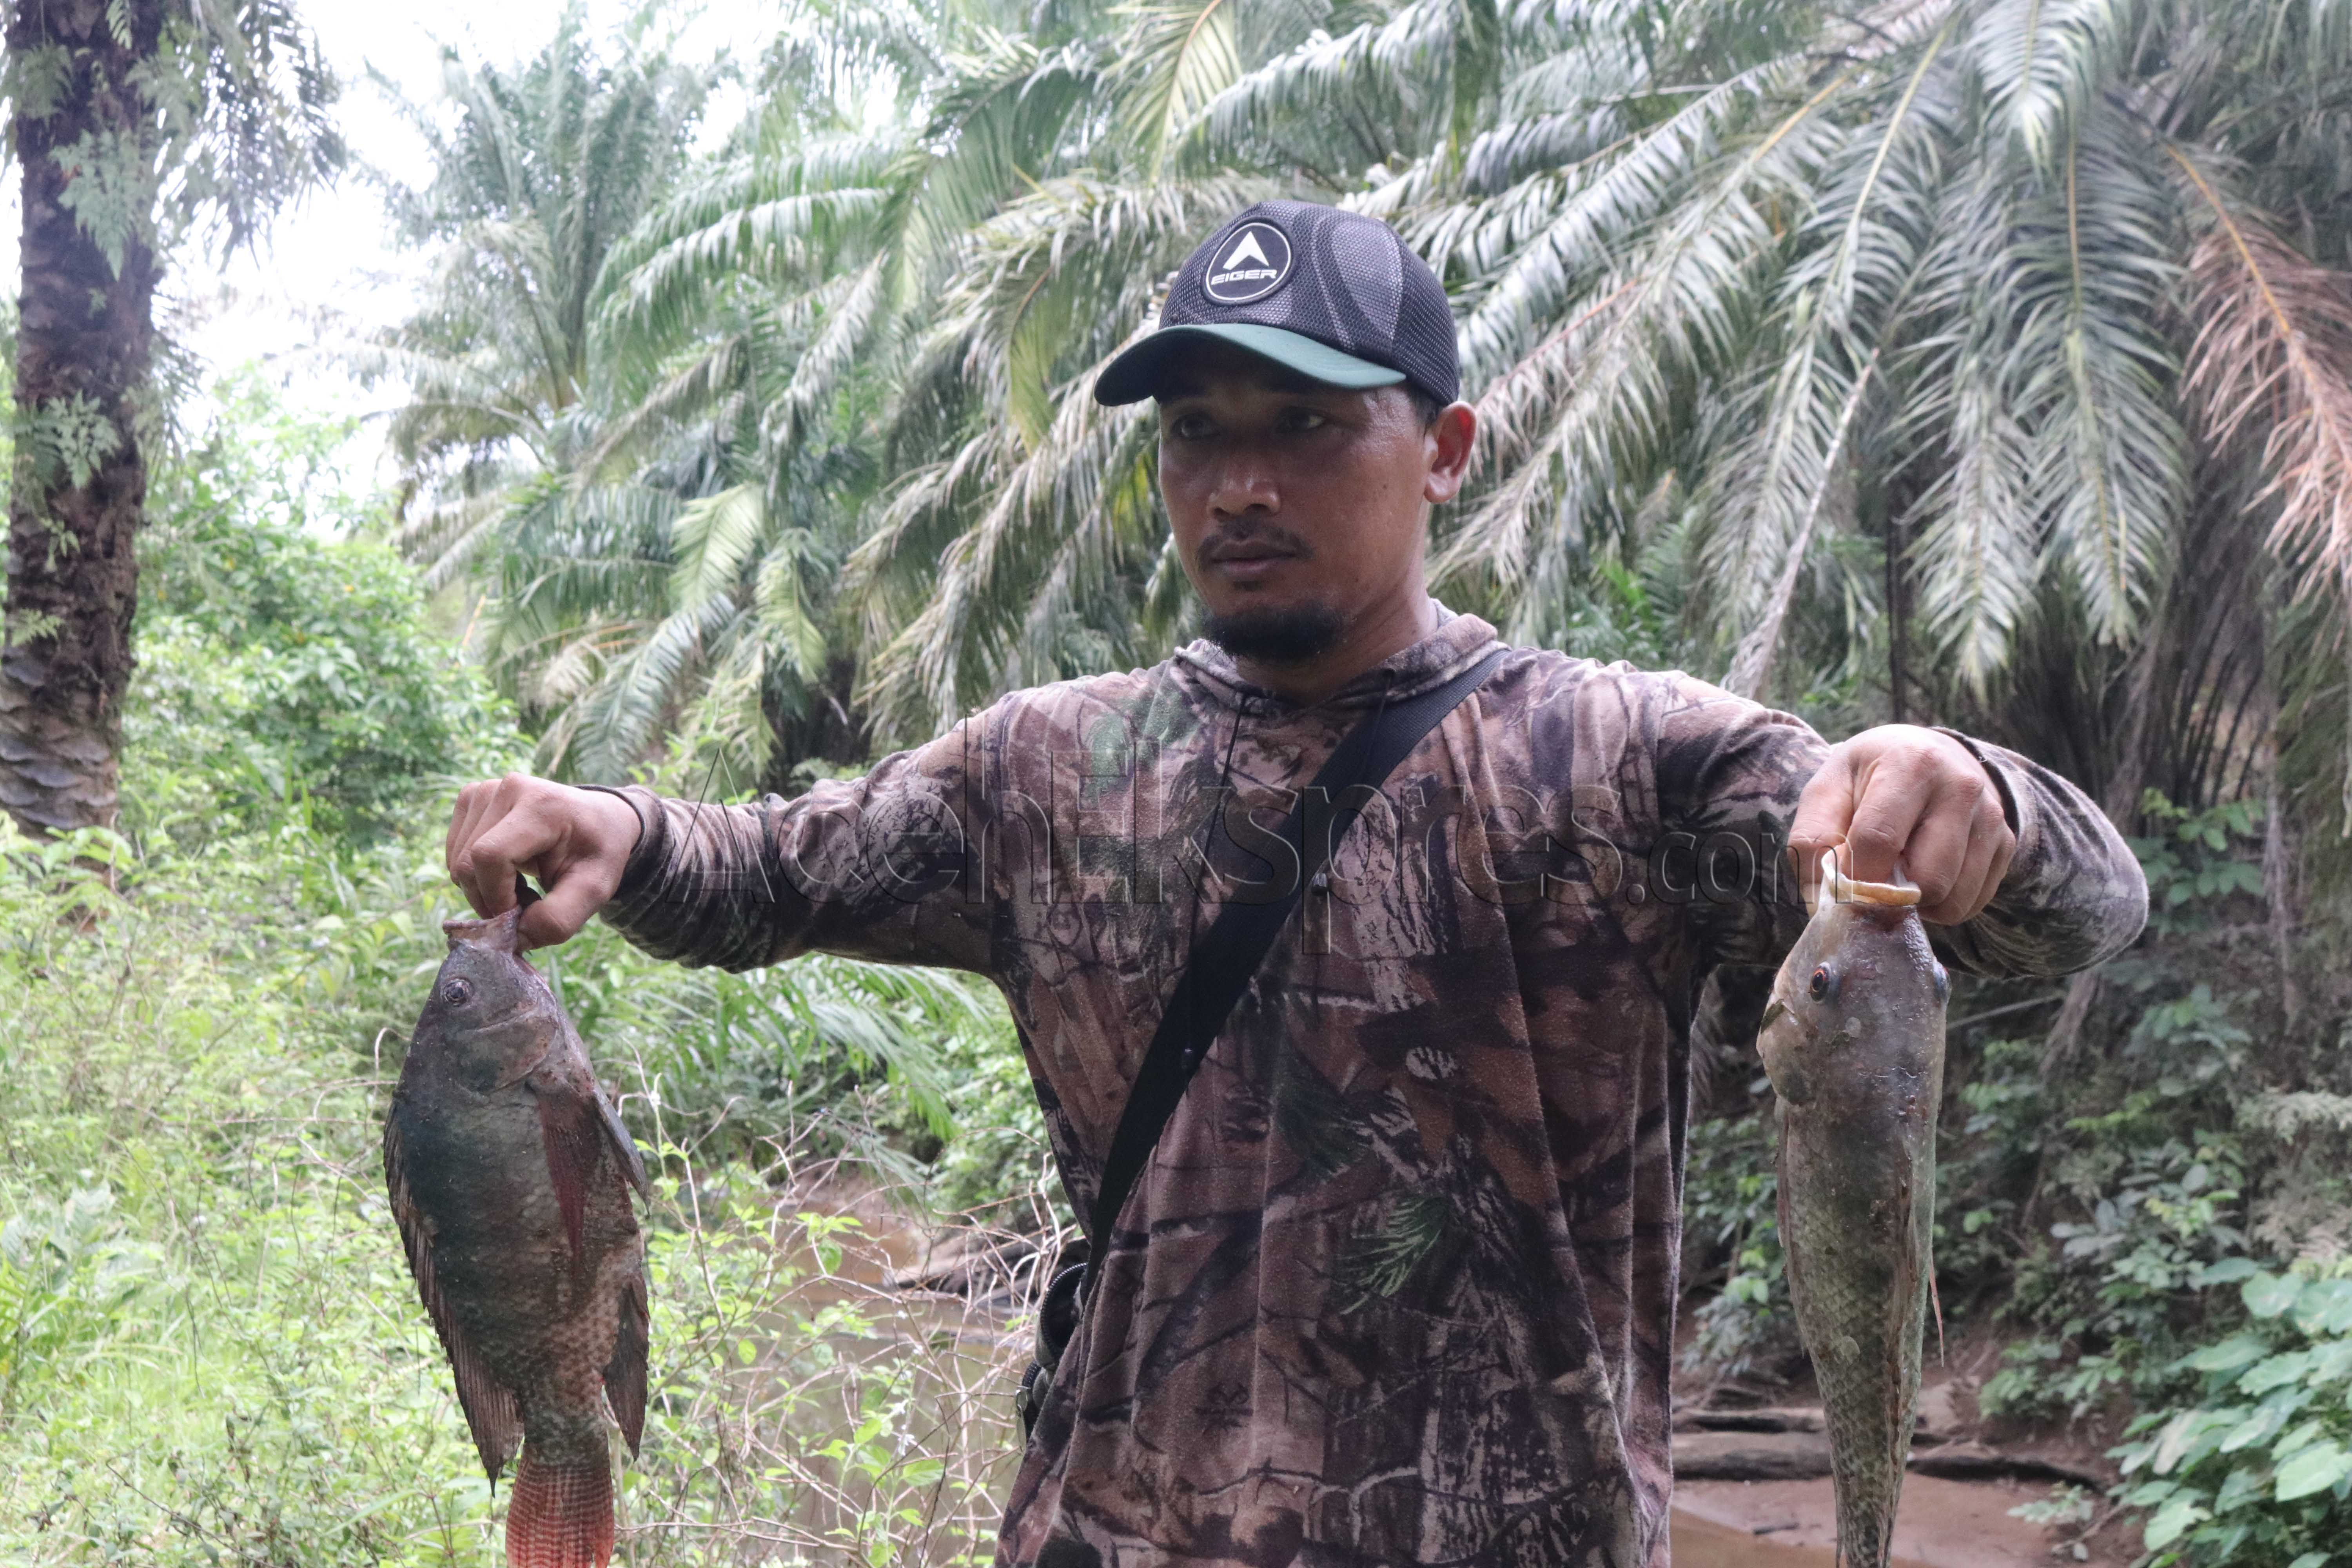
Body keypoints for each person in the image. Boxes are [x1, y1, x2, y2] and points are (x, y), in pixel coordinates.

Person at [444, 200, 2147, 1568]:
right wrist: (622, 826)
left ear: (1447, 447)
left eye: (1308, 426)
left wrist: (1970, 790)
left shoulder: (1627, 760)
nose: (1239, 483)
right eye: (1198, 434)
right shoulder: (1043, 769)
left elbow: (2070, 909)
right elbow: (770, 872)